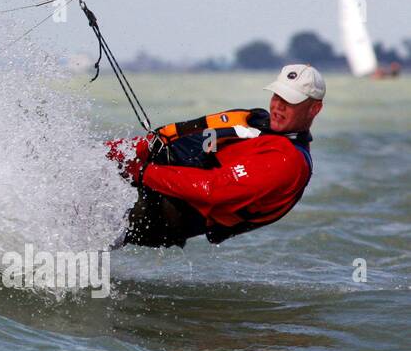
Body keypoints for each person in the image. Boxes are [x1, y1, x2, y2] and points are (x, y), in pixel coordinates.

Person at [108, 64, 324, 248]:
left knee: (84, 218)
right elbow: (178, 143)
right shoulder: (256, 121)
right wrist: (107, 153)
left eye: (291, 101)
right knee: (88, 167)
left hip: (163, 212)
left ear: (314, 109)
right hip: (151, 182)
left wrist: (142, 171)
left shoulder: (287, 160)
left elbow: (213, 189)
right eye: (278, 95)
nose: (278, 106)